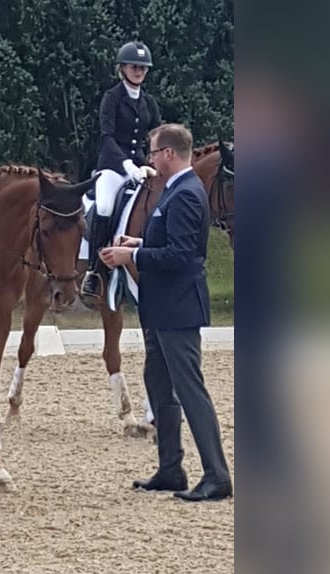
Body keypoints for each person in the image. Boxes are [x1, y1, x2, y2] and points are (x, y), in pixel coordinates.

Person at [100, 123, 233, 502]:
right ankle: (171, 467)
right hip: (160, 308)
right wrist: (139, 242)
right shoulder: (173, 191)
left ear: (169, 154)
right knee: (158, 384)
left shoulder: (187, 194)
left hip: (178, 307)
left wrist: (133, 256)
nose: (150, 158)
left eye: (154, 151)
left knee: (189, 389)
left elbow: (182, 255)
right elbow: (169, 240)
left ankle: (217, 475)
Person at [81, 40, 161, 306]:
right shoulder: (112, 98)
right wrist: (126, 165)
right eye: (134, 66)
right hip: (112, 167)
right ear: (123, 68)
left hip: (141, 167)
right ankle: (94, 271)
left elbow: (156, 135)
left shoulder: (149, 101)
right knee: (104, 206)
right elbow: (106, 137)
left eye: (143, 67)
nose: (139, 71)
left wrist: (151, 162)